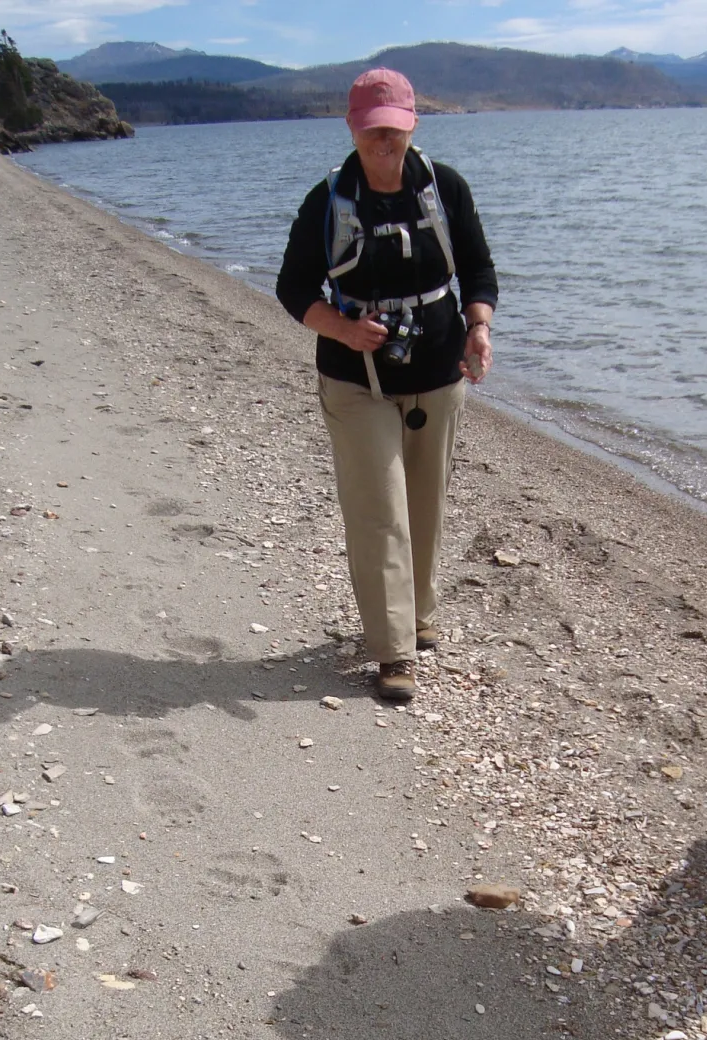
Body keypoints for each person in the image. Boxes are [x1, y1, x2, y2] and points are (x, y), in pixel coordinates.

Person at [276, 68, 498, 703]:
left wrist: (479, 327)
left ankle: (419, 613)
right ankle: (393, 650)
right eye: (372, 130)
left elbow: (478, 268)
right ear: (352, 128)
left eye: (394, 129)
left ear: (412, 125)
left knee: (425, 505)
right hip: (357, 379)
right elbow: (294, 289)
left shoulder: (444, 188)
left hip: (439, 372)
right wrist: (345, 331)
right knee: (380, 511)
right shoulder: (327, 202)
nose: (383, 141)